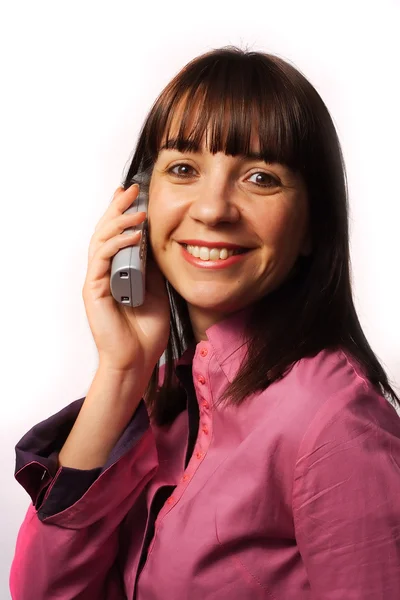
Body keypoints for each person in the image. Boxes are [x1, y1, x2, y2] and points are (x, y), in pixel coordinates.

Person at [10, 46, 400, 600]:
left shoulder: (334, 422)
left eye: (261, 177)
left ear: (313, 226)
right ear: (139, 203)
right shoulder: (173, 395)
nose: (214, 208)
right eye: (184, 169)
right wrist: (121, 372)